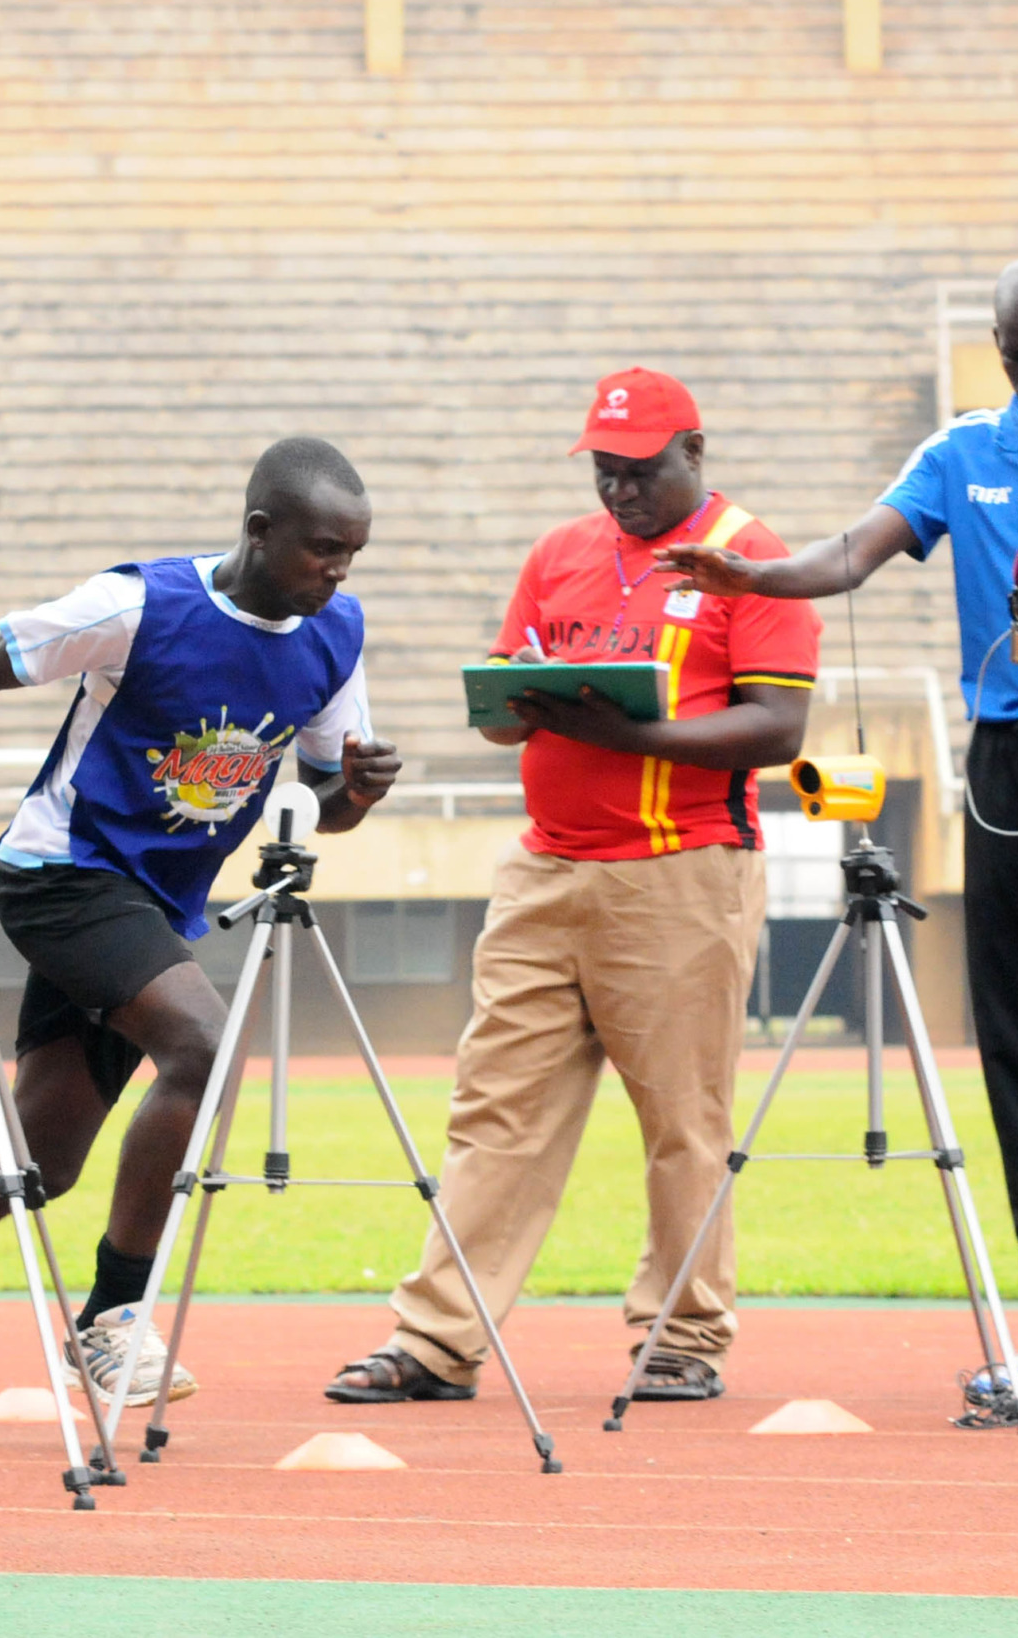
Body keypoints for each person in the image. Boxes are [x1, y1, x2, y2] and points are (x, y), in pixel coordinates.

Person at [662, 259, 1018, 1415]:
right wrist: (752, 574)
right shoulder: (964, 448)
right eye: (1016, 356)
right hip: (1007, 762)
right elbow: (850, 554)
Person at [0, 437, 400, 1412]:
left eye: (352, 552)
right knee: (205, 1048)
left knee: (41, 1161)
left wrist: (355, 792)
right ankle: (112, 1315)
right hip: (63, 874)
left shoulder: (334, 633)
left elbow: (324, 800)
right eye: (324, 548)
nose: (339, 570)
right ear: (260, 530)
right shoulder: (140, 605)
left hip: (156, 907)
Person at [323, 368, 817, 1406]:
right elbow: (504, 707)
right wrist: (515, 703)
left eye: (639, 470)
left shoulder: (751, 559)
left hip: (679, 870)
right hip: (544, 868)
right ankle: (437, 1340)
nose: (619, 489)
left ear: (693, 452)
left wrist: (629, 733)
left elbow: (778, 729)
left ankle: (682, 1334)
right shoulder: (559, 553)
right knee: (493, 1107)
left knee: (682, 1120)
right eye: (604, 470)